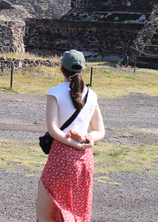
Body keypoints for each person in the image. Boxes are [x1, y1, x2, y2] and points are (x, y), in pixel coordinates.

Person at [37, 49, 105, 222]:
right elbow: (100, 131)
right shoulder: (92, 95)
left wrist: (73, 143)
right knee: (77, 213)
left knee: (46, 215)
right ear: (83, 69)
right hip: (85, 160)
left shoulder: (55, 92)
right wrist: (85, 140)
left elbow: (53, 129)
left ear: (62, 68)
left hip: (61, 156)